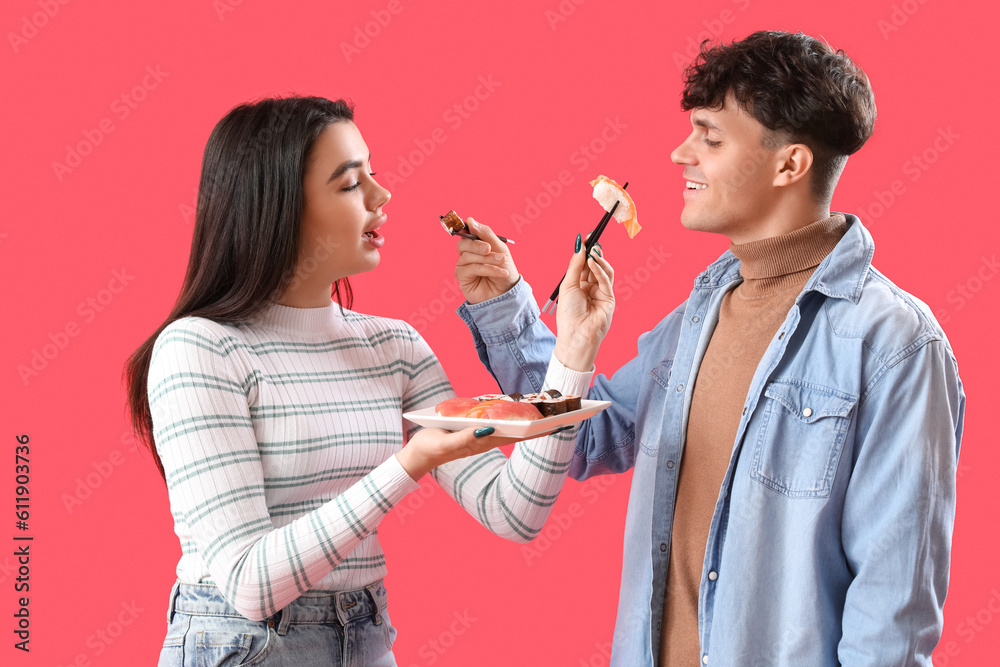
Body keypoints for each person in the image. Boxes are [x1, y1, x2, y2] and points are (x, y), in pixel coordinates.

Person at [453, 31, 965, 666]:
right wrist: (512, 308)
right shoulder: (701, 312)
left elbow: (893, 612)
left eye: (711, 139)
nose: (679, 154)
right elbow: (584, 438)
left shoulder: (896, 345)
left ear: (789, 165)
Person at [123, 95, 615, 666]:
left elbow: (512, 511)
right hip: (246, 646)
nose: (383, 198)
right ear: (279, 206)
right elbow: (249, 585)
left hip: (365, 637)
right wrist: (409, 465)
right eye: (350, 183)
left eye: (373, 176)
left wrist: (575, 348)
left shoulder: (392, 345)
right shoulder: (199, 349)